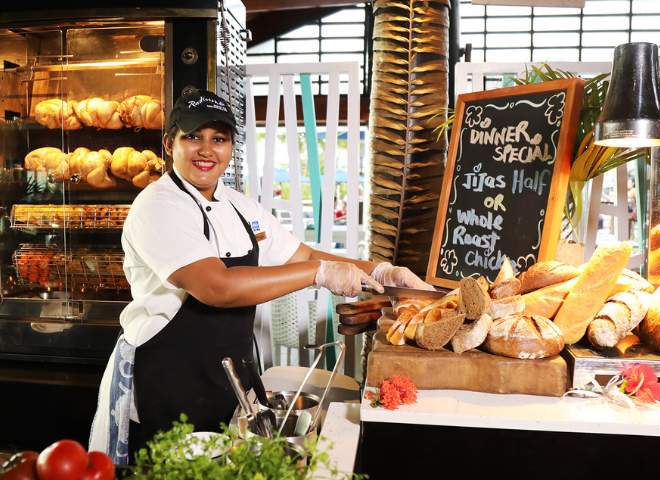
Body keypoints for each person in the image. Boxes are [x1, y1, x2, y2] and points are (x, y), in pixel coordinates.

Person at [89, 90, 432, 464]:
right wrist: (318, 274)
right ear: (169, 143)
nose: (206, 150)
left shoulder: (239, 206)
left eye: (218, 139)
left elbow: (301, 255)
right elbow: (215, 287)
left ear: (231, 147)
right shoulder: (159, 205)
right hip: (170, 383)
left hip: (224, 382)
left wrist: (380, 269)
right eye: (193, 137)